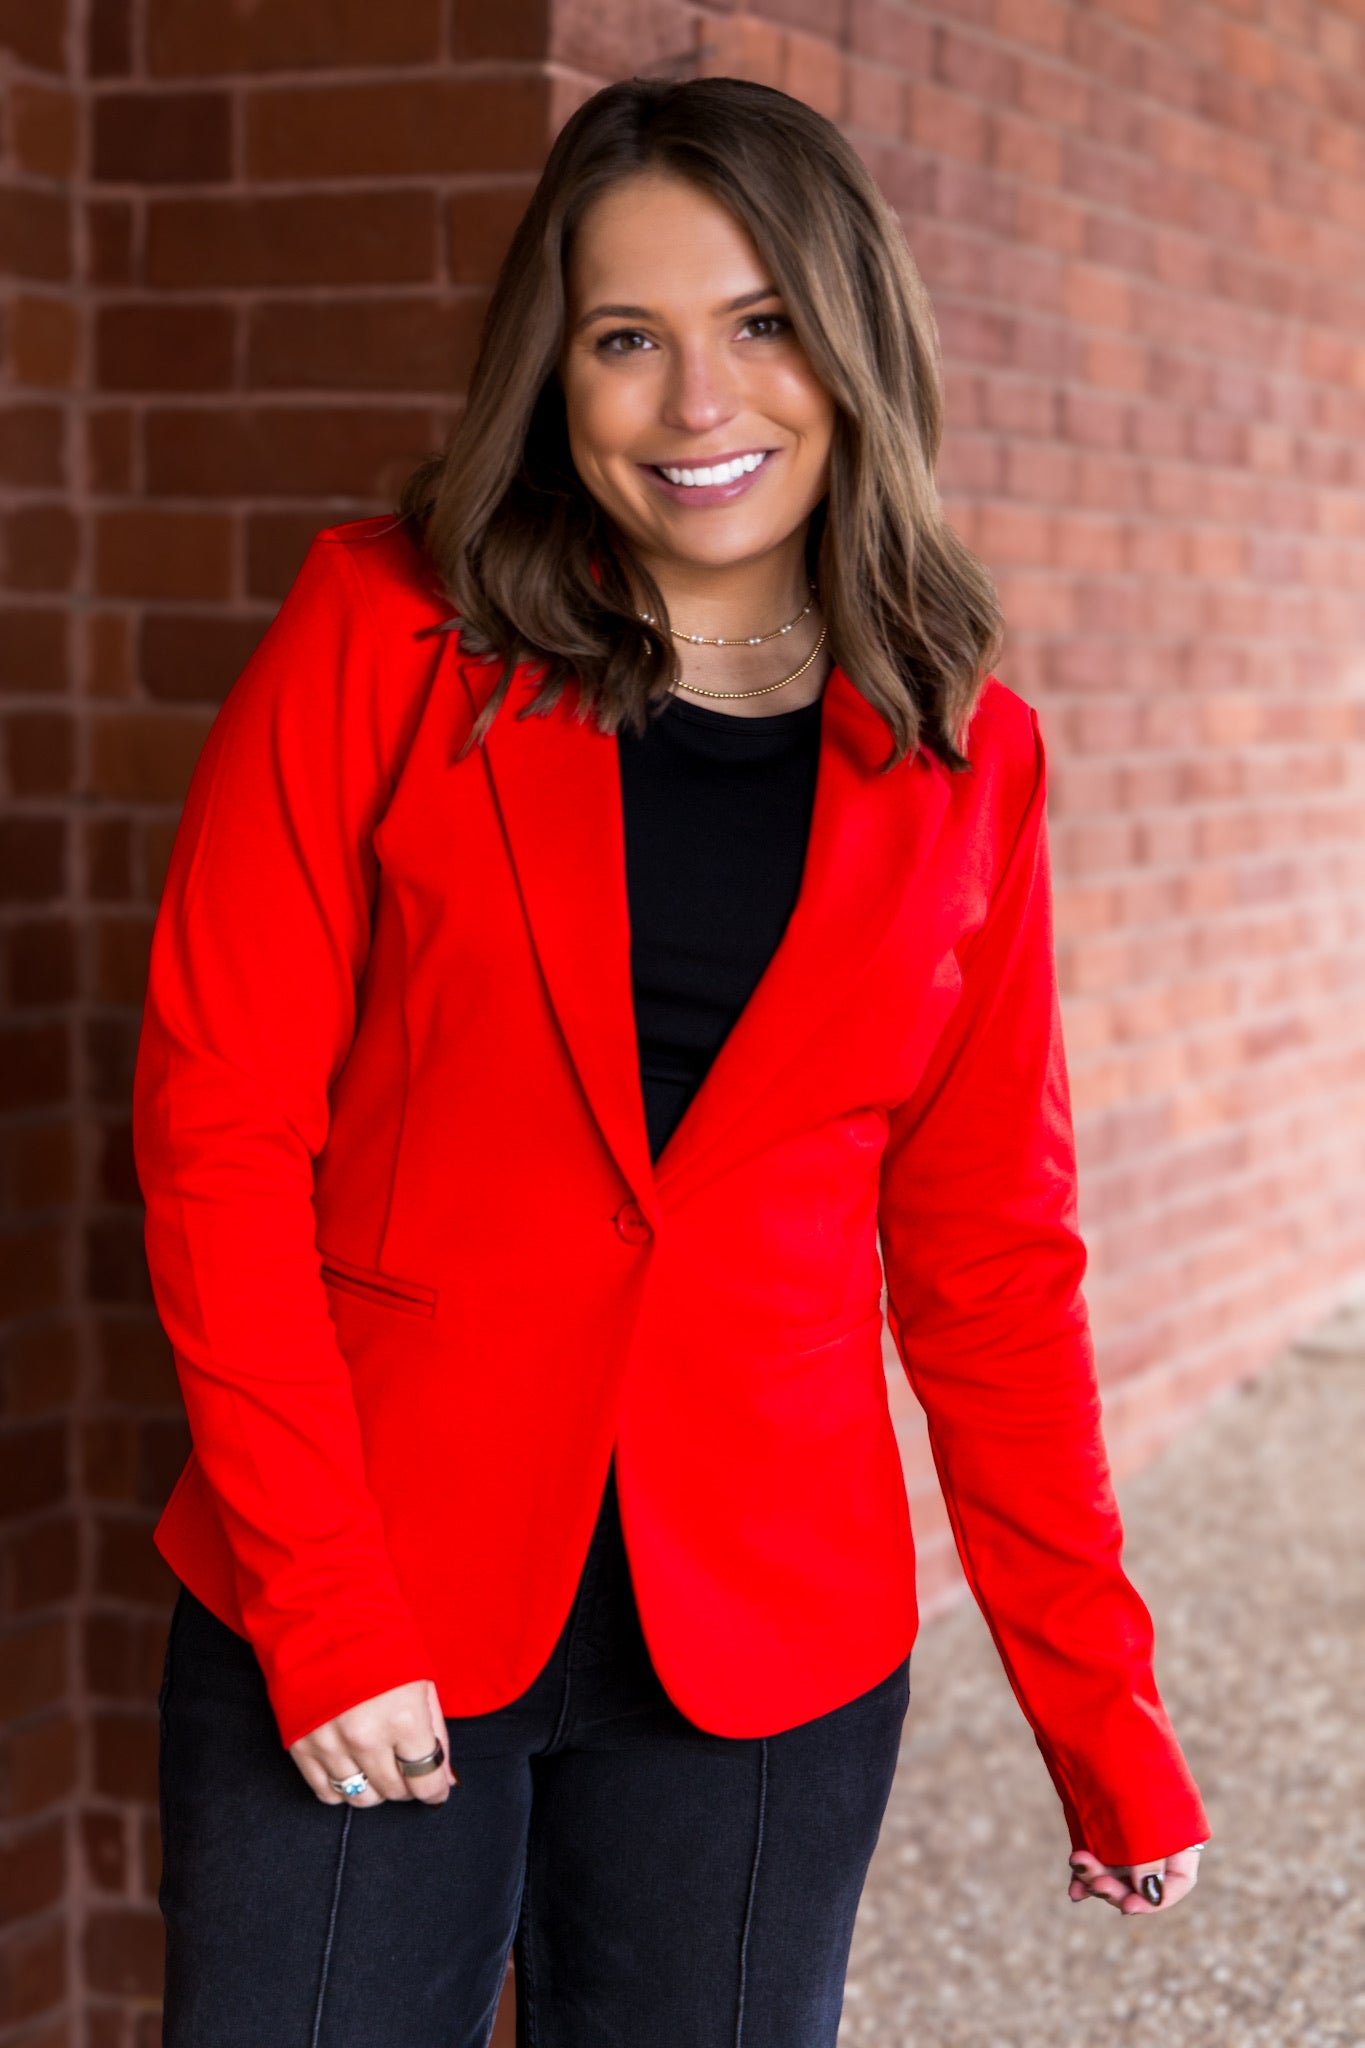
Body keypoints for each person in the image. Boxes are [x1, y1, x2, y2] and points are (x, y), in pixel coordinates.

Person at [135, 73, 1209, 2048]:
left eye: (760, 322)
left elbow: (987, 1261)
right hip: (369, 1580)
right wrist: (321, 1600)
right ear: (552, 375)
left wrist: (1097, 1710)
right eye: (624, 338)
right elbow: (221, 1126)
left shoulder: (968, 757)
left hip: (766, 1640)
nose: (696, 402)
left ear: (852, 342)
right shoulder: (380, 632)